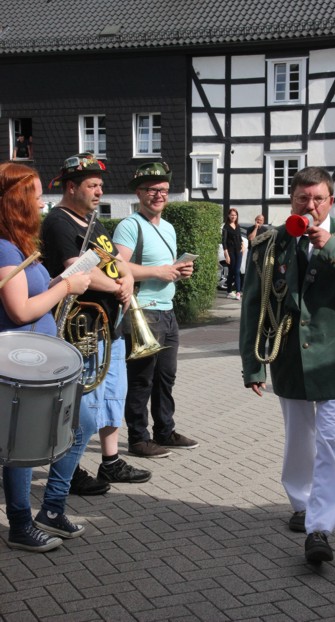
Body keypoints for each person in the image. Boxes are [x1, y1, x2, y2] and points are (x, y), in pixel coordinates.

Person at [239, 166, 335, 563]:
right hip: (290, 357)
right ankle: (302, 503)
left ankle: (320, 526)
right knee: (299, 437)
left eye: (318, 199)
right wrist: (253, 365)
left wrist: (334, 248)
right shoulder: (271, 242)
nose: (310, 207)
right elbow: (253, 305)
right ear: (291, 200)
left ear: (331, 200)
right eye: (302, 199)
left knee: (329, 438)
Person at [41, 152, 152, 494]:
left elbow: (116, 260)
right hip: (82, 328)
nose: (100, 192)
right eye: (93, 185)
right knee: (84, 400)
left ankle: (111, 461)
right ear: (71, 187)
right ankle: (69, 467)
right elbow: (75, 270)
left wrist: (127, 279)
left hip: (108, 325)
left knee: (113, 395)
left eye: (100, 185)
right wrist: (118, 286)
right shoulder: (59, 222)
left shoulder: (93, 222)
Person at [0, 161, 92, 551]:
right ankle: (21, 525)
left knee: (82, 424)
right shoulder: (4, 249)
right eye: (36, 196)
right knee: (19, 446)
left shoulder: (19, 246)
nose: (42, 203)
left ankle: (51, 509)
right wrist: (66, 287)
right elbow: (20, 310)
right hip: (19, 366)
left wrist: (58, 283)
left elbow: (32, 296)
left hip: (37, 364)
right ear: (17, 200)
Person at [112, 161, 199, 459]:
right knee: (141, 380)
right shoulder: (129, 225)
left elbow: (165, 269)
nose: (159, 195)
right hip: (143, 312)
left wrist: (179, 271)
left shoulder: (169, 228)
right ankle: (138, 439)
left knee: (165, 377)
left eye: (163, 189)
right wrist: (157, 272)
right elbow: (117, 267)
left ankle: (165, 431)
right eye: (151, 190)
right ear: (138, 193)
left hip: (167, 311)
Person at [222, 208, 244, 300]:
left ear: (237, 216)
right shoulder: (226, 227)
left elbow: (240, 238)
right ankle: (229, 292)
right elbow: (224, 242)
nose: (233, 216)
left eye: (235, 215)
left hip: (239, 251)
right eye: (232, 215)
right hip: (230, 251)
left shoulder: (238, 226)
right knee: (232, 271)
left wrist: (243, 245)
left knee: (237, 271)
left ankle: (238, 292)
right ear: (228, 216)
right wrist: (226, 255)